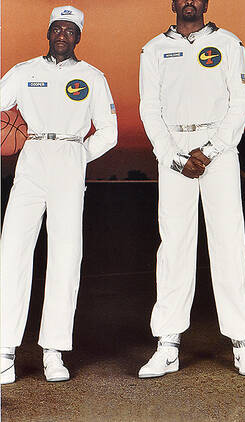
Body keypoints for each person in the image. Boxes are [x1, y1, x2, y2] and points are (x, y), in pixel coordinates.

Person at [138, 0, 245, 377]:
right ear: (173, 3)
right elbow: (149, 109)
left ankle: (242, 342)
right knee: (174, 245)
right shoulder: (154, 49)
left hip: (218, 152)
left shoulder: (229, 43)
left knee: (229, 243)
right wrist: (174, 157)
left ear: (206, 3)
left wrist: (210, 150)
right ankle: (168, 344)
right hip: (175, 153)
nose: (189, 1)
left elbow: (240, 104)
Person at [0, 5, 118, 384]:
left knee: (65, 254)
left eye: (70, 30)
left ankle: (53, 351)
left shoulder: (92, 77)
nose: (63, 35)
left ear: (78, 36)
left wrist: (80, 154)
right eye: (57, 29)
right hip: (33, 154)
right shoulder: (24, 72)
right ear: (48, 33)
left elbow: (109, 131)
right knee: (12, 250)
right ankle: (4, 351)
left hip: (70, 155)